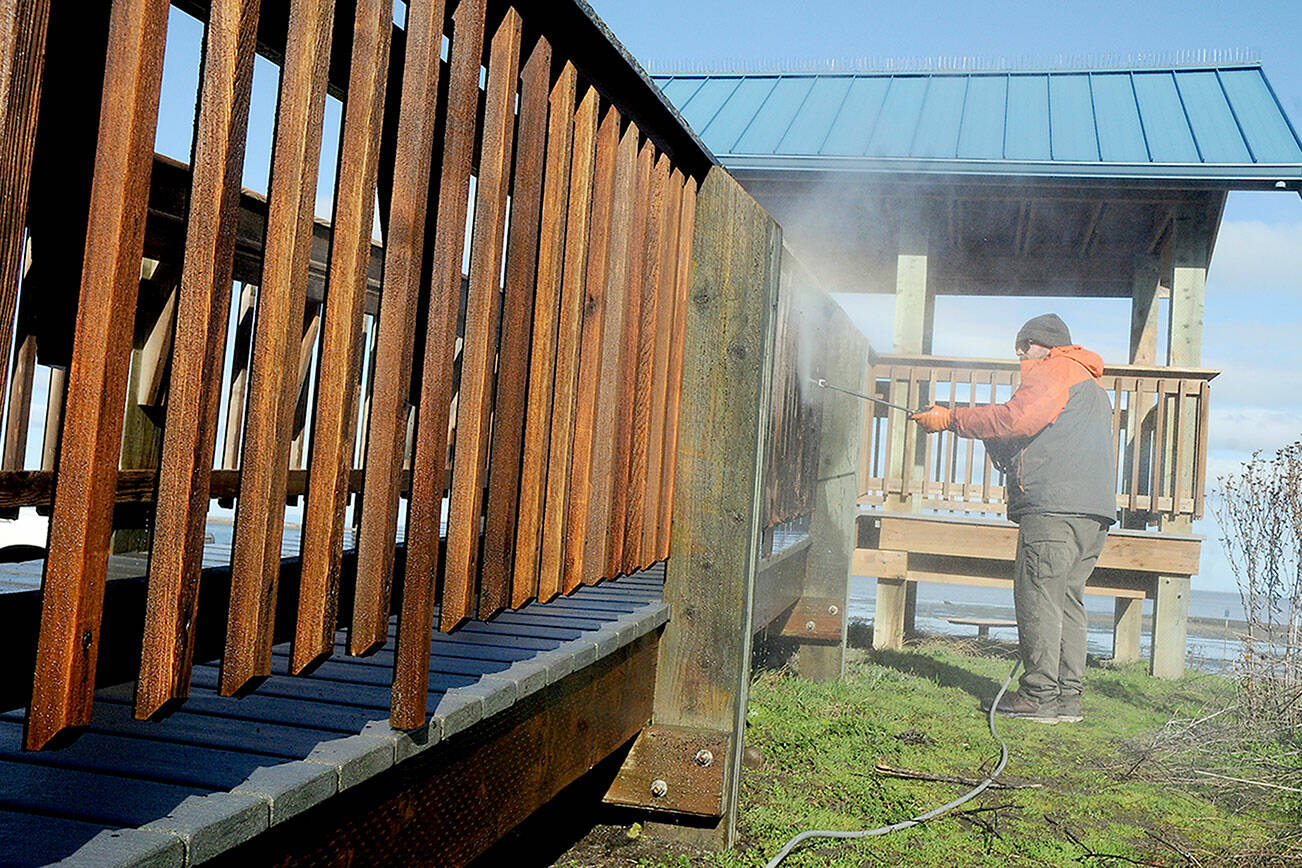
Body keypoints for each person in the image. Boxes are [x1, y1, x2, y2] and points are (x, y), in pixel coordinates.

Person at [911, 313, 1116, 724]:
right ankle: (1067, 699)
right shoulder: (1092, 387)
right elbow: (1036, 435)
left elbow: (1012, 419)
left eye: (1024, 345)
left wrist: (950, 419)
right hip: (1092, 514)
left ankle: (1039, 696)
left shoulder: (1053, 371)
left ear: (1045, 345)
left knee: (1039, 598)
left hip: (1053, 511)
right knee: (1067, 599)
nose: (1020, 353)